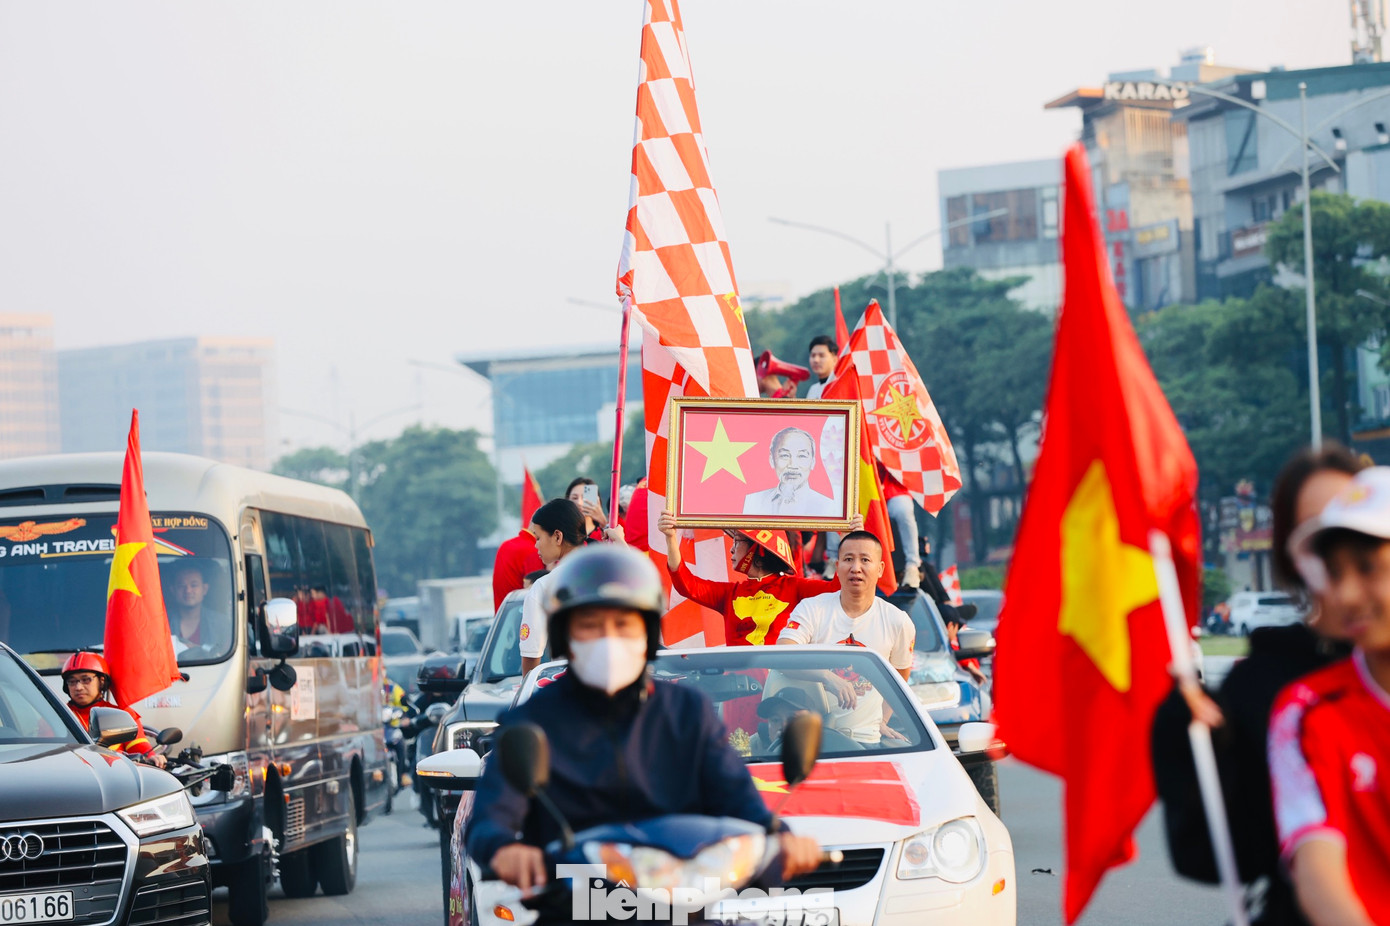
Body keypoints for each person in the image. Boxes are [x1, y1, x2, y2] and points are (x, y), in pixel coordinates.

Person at [465, 544, 822, 916]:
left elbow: (739, 800)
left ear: (648, 634)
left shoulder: (687, 712)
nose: (608, 639)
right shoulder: (531, 723)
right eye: (590, 626)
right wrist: (504, 848)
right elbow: (490, 819)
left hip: (683, 904)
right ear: (565, 636)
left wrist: (780, 838)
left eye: (623, 625)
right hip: (578, 906)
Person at [1151, 443, 1365, 926]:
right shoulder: (1283, 700)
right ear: (1293, 554)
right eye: (1318, 536)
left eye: (1354, 529)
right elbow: (1224, 855)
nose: (1343, 556)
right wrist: (1190, 738)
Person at [1267, 466, 1390, 925]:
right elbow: (1319, 873)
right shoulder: (1306, 712)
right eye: (1335, 573)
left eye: (1367, 567)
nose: (1348, 594)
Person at [778, 531, 915, 744]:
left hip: (865, 741)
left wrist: (881, 719)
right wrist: (827, 677)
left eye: (865, 560)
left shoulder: (898, 621)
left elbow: (899, 677)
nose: (856, 568)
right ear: (837, 564)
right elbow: (782, 656)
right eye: (848, 559)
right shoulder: (812, 608)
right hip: (809, 739)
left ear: (880, 569)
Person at [658, 511, 858, 645]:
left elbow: (838, 589)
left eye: (737, 541)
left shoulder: (794, 587)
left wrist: (847, 538)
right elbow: (686, 584)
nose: (731, 548)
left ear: (757, 549)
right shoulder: (729, 594)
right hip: (737, 692)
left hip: (780, 689)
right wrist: (670, 538)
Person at [519, 499, 589, 676]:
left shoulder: (544, 587)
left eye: (538, 537)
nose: (536, 545)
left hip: (571, 692)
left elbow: (531, 657)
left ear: (557, 536)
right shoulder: (611, 572)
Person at [61, 652, 165, 767]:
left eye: (86, 680)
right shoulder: (55, 716)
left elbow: (141, 750)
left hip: (117, 777)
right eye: (72, 682)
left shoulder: (122, 714)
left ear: (101, 681)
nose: (78, 687)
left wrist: (152, 758)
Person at [742, 428, 838, 518]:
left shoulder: (830, 507)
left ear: (813, 462)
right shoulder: (753, 501)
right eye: (785, 455)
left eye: (802, 456)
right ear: (772, 459)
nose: (793, 465)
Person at [165, 559, 221, 653]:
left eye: (194, 585)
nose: (188, 590)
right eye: (182, 585)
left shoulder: (222, 624)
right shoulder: (162, 622)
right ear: (173, 590)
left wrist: (198, 650)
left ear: (204, 589)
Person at [747, 687, 818, 756]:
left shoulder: (827, 751)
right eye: (775, 720)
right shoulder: (752, 749)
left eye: (793, 719)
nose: (783, 727)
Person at [493, 523, 544, 610]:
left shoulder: (505, 546)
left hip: (504, 616)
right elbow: (538, 594)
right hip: (522, 617)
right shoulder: (533, 551)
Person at [803, 335, 836, 401]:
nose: (816, 360)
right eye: (813, 355)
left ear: (834, 359)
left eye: (821, 356)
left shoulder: (839, 386)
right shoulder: (813, 389)